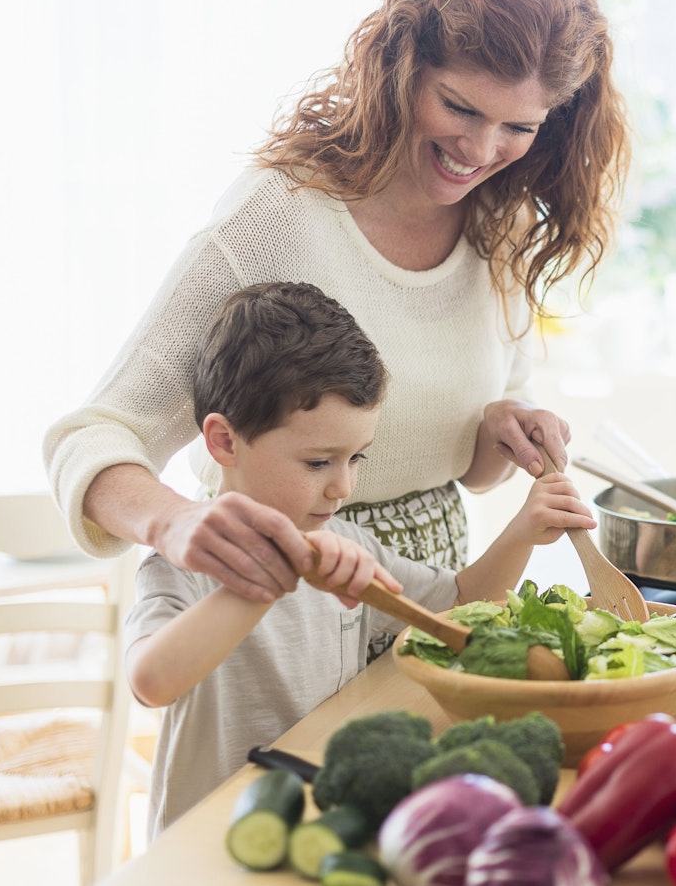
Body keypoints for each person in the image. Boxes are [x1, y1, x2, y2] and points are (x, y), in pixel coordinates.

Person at [43, 0, 629, 603]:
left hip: (432, 605)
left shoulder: (501, 227)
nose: (481, 149)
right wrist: (176, 523)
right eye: (460, 107)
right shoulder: (280, 214)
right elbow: (91, 437)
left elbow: (470, 470)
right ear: (399, 67)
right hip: (275, 600)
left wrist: (505, 422)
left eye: (518, 127)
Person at [125, 281, 595, 838]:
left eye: (356, 459)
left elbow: (462, 605)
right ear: (224, 442)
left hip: (323, 826)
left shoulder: (351, 546)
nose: (343, 487)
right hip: (208, 840)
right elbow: (151, 682)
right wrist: (268, 577)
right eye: (319, 461)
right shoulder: (180, 565)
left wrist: (524, 530)